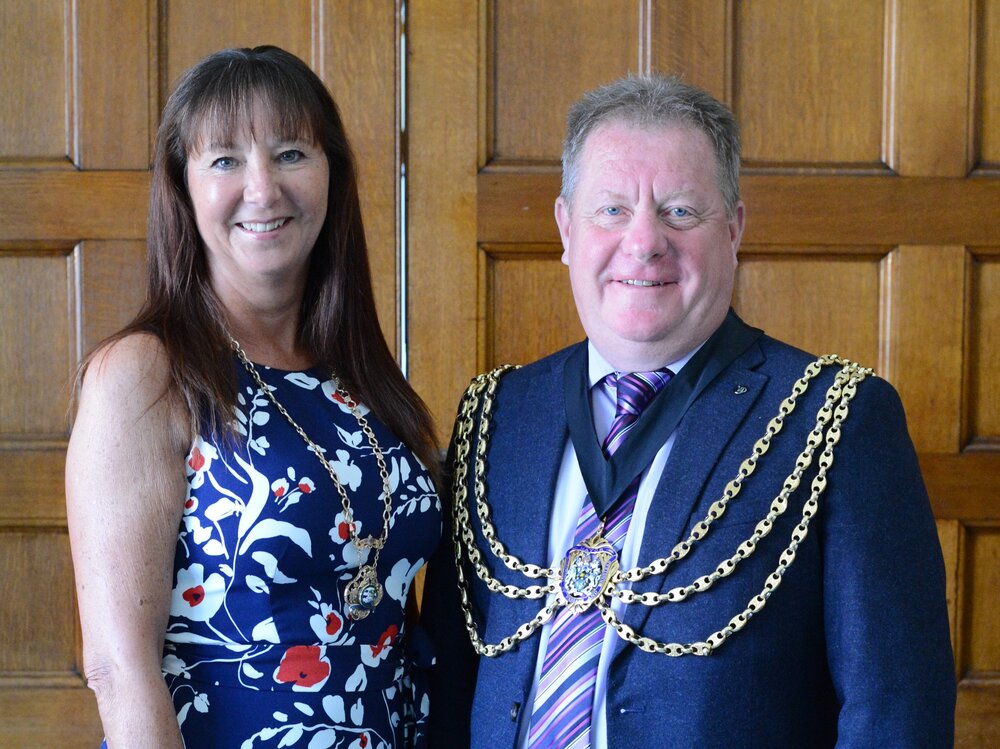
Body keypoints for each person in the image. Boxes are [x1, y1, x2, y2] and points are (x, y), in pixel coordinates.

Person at [423, 75, 956, 748]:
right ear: (565, 228)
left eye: (680, 211)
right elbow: (446, 691)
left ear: (733, 226)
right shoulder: (495, 416)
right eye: (611, 210)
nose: (643, 242)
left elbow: (895, 718)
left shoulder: (839, 418)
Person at [66, 46, 441, 749]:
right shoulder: (146, 374)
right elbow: (120, 667)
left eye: (292, 152)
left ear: (332, 173)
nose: (264, 188)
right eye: (226, 160)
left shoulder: (364, 378)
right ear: (183, 186)